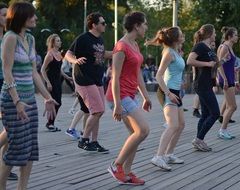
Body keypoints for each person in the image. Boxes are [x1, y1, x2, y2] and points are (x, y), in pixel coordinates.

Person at [0, 2, 57, 189]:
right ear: (21, 16)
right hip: (12, 100)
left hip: (30, 100)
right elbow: (7, 72)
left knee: (30, 148)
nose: (35, 18)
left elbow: (34, 73)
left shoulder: (30, 39)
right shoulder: (10, 38)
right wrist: (17, 101)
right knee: (16, 148)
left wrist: (47, 97)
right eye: (32, 15)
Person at [106, 11, 150, 185]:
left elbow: (137, 73)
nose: (146, 27)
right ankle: (117, 165)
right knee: (143, 130)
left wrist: (146, 96)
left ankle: (127, 172)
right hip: (119, 96)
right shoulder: (121, 47)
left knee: (135, 134)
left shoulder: (134, 44)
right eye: (144, 24)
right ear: (136, 26)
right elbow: (114, 77)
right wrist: (117, 105)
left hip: (130, 95)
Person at [65, 12, 111, 153]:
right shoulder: (83, 38)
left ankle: (94, 141)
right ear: (94, 25)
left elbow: (103, 55)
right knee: (97, 110)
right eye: (102, 23)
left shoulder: (100, 40)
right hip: (84, 79)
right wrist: (75, 60)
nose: (105, 25)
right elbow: (68, 54)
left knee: (99, 111)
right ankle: (84, 140)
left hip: (97, 79)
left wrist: (121, 51)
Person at [146, 27, 185, 171]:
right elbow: (158, 75)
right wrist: (168, 93)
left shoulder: (175, 51)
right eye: (181, 34)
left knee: (181, 124)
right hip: (167, 92)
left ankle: (169, 154)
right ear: (175, 38)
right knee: (172, 125)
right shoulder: (169, 53)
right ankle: (158, 156)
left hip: (175, 91)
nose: (183, 35)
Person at [187, 24, 225, 151]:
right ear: (209, 34)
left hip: (207, 83)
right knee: (215, 113)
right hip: (201, 84)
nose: (215, 35)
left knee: (205, 114)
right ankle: (198, 139)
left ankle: (199, 140)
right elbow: (190, 61)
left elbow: (212, 66)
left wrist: (220, 62)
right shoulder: (200, 46)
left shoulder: (208, 48)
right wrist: (207, 63)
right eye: (214, 33)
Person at [0, 2, 18, 181]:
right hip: (3, 84)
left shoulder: (10, 36)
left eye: (8, 15)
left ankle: (4, 165)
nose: (7, 18)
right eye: (3, 15)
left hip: (9, 84)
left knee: (9, 127)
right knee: (10, 128)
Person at [217, 26, 239, 140]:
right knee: (232, 106)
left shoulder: (230, 47)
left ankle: (223, 129)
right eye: (235, 35)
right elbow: (218, 64)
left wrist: (235, 80)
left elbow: (229, 66)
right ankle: (222, 130)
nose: (237, 37)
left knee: (231, 106)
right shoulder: (224, 47)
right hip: (225, 79)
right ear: (230, 37)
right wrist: (225, 79)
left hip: (230, 78)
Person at [41, 34, 66, 132]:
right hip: (50, 80)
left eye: (60, 40)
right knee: (54, 102)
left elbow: (59, 70)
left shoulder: (59, 54)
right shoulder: (49, 54)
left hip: (57, 81)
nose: (60, 42)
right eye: (58, 41)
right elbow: (42, 70)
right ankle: (50, 123)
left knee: (58, 102)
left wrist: (67, 77)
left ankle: (51, 123)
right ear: (53, 42)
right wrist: (48, 82)